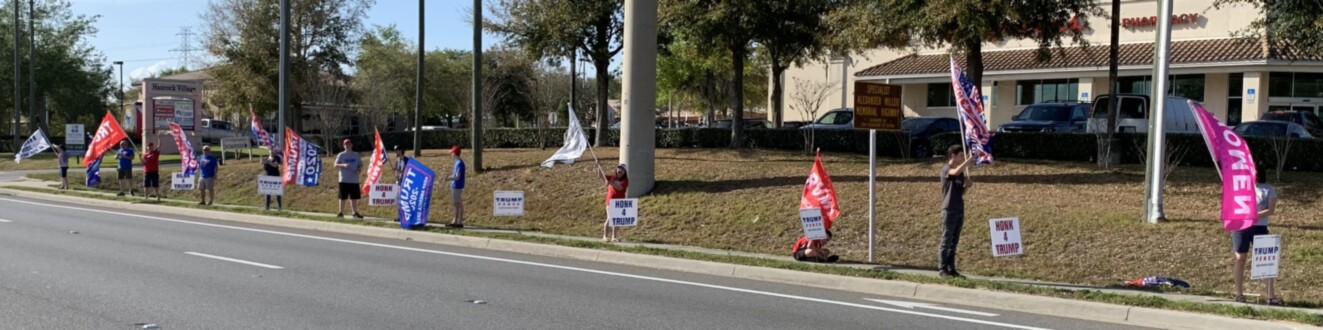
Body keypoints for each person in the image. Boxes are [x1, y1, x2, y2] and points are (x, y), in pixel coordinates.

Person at [1232, 168, 1281, 305]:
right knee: (1240, 258)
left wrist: (1253, 215)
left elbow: (1271, 210)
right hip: (1241, 227)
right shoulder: (1242, 187)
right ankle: (1239, 294)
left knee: (1264, 260)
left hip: (1259, 228)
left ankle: (1270, 295)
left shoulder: (1268, 189)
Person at [938, 145, 974, 278]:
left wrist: (967, 187)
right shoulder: (947, 170)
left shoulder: (960, 173)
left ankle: (951, 268)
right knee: (946, 241)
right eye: (960, 155)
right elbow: (955, 172)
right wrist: (969, 160)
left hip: (959, 208)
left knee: (954, 241)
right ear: (953, 156)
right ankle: (942, 269)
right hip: (949, 209)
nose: (962, 158)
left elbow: (960, 193)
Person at [334, 139, 364, 219]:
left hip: (354, 180)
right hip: (344, 179)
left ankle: (354, 213)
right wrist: (343, 165)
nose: (348, 146)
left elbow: (361, 165)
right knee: (342, 197)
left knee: (354, 197)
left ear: (352, 145)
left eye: (349, 144)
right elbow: (335, 165)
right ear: (344, 146)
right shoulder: (341, 155)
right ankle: (341, 213)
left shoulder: (356, 155)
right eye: (346, 144)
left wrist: (359, 170)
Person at [601, 164, 628, 242]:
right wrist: (598, 166)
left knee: (617, 220)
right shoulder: (612, 177)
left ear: (625, 172)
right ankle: (605, 236)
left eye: (622, 170)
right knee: (609, 218)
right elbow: (601, 176)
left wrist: (610, 182)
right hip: (610, 202)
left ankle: (614, 237)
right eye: (619, 168)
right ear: (616, 169)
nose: (620, 170)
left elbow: (620, 187)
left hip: (619, 203)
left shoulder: (625, 180)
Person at [444, 146, 466, 228]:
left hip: (457, 186)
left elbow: (457, 177)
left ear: (454, 153)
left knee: (458, 204)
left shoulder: (460, 163)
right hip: (454, 185)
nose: (451, 155)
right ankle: (455, 221)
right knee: (456, 204)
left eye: (452, 153)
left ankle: (459, 222)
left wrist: (448, 178)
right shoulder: (457, 163)